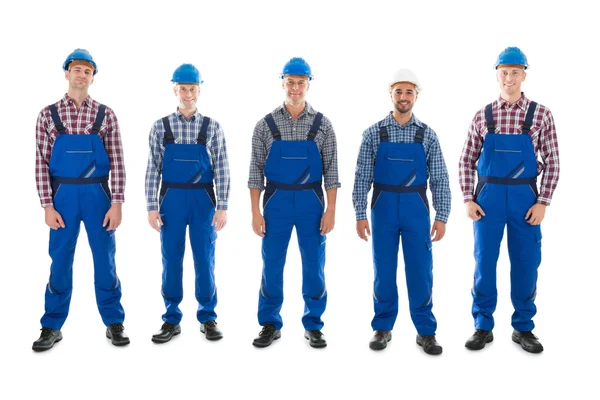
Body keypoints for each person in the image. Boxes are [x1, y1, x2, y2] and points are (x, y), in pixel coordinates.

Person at [458, 47, 560, 354]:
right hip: (486, 200)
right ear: (497, 74)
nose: (509, 78)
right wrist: (467, 198)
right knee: (484, 264)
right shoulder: (483, 115)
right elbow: (466, 159)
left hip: (525, 199)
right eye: (504, 72)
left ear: (524, 75)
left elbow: (553, 161)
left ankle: (523, 327)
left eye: (515, 72)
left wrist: (543, 201)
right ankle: (482, 325)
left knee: (526, 263)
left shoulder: (540, 115)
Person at [33, 48, 129, 351]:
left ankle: (114, 321)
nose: (81, 75)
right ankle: (51, 325)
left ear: (92, 77)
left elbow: (117, 159)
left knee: (105, 259)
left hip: (98, 195)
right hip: (62, 196)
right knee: (60, 260)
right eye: (76, 69)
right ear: (66, 73)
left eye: (88, 71)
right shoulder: (48, 115)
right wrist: (47, 205)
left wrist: (118, 202)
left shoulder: (106, 114)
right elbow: (40, 162)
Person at [352, 69, 451, 355]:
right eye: (399, 91)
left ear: (416, 96)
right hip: (382, 210)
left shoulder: (427, 135)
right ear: (390, 94)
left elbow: (440, 178)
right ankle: (382, 327)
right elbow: (361, 177)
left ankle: (425, 331)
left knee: (420, 271)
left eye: (409, 92)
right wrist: (359, 214)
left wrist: (442, 216)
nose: (404, 97)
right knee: (383, 271)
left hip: (416, 210)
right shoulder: (373, 133)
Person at [248, 57, 340, 348]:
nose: (296, 88)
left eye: (301, 82)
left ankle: (313, 324)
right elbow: (254, 173)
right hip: (275, 202)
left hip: (312, 203)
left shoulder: (323, 125)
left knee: (314, 265)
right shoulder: (265, 126)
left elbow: (332, 172)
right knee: (272, 264)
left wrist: (331, 210)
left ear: (308, 84)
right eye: (291, 82)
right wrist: (255, 213)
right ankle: (270, 324)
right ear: (283, 83)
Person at [145, 64, 230, 344]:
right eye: (183, 88)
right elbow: (152, 169)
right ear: (175, 90)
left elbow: (222, 168)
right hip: (171, 200)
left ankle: (208, 316)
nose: (188, 93)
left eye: (192, 88)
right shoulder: (161, 127)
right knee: (171, 259)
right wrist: (151, 206)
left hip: (203, 200)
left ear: (199, 90)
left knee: (204, 259)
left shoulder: (212, 127)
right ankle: (171, 318)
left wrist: (223, 205)